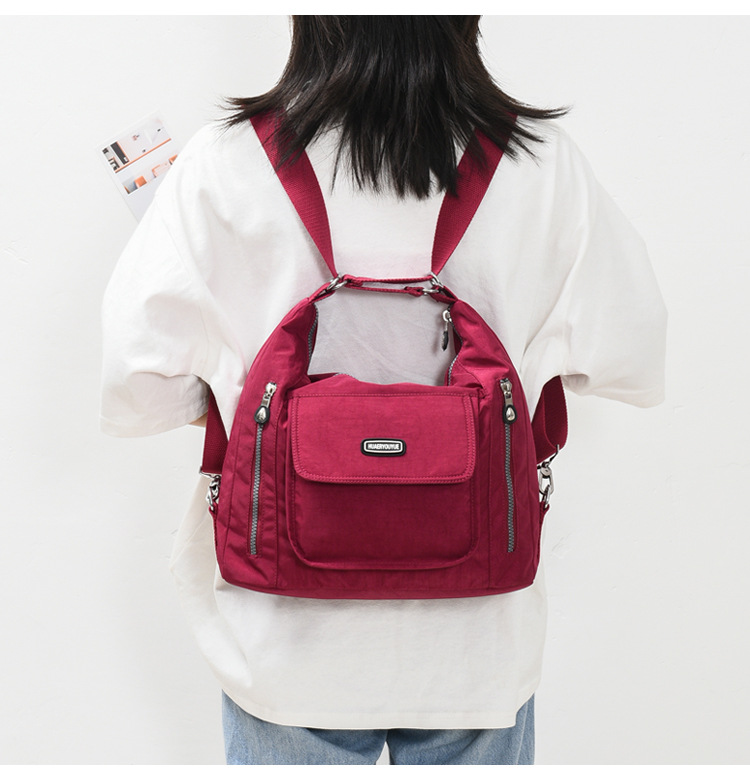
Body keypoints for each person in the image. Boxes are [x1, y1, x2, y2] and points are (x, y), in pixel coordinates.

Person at [100, 16, 667, 765]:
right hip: (477, 642)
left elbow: (138, 388)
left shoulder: (221, 162)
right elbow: (633, 356)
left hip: (283, 638)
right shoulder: (543, 164)